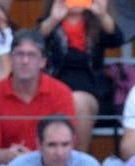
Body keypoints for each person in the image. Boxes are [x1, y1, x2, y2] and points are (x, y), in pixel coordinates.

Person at [0, 30, 76, 165]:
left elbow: (67, 144)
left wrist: (34, 158)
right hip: (7, 165)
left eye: (31, 55)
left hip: (49, 165)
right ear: (10, 59)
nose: (25, 61)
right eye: (19, 54)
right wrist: (8, 155)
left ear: (42, 62)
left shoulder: (61, 92)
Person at [37, 0, 122, 152]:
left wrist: (102, 15)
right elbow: (33, 41)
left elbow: (117, 39)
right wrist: (53, 19)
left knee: (77, 101)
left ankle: (76, 159)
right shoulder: (51, 23)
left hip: (92, 92)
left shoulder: (97, 24)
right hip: (54, 91)